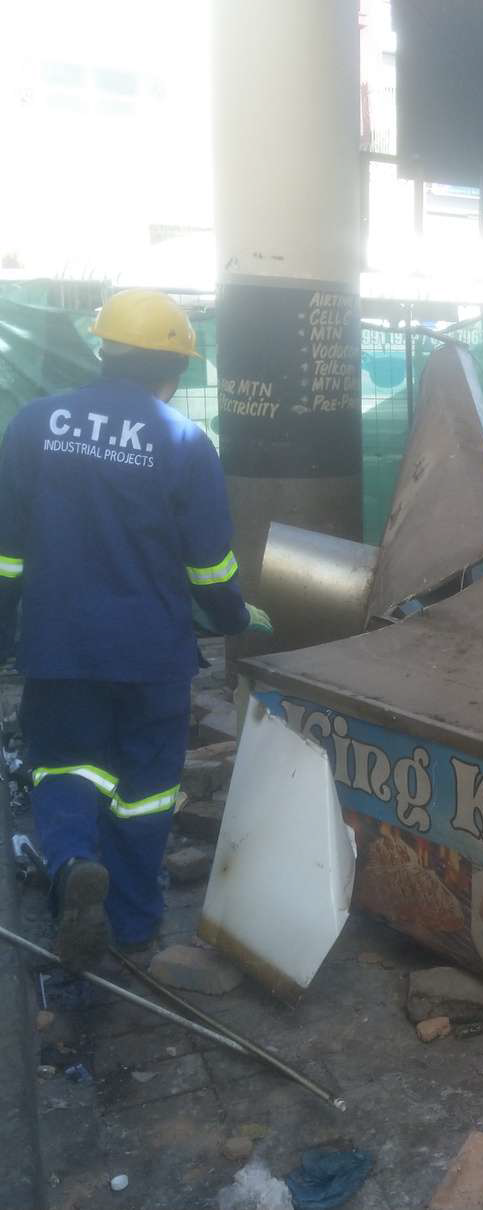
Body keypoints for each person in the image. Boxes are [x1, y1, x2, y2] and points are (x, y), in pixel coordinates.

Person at [0, 289, 271, 966]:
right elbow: (208, 567)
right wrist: (236, 618)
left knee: (66, 766)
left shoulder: (33, 425)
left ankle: (71, 865)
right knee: (145, 792)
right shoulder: (185, 442)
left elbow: (5, 553)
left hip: (59, 646)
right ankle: (134, 924)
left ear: (104, 351)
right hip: (153, 654)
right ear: (173, 369)